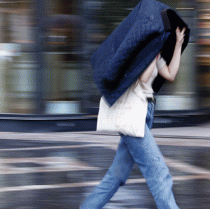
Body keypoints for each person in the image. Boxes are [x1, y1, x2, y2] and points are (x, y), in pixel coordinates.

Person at [80, 27, 186, 209]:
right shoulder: (138, 52)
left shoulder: (155, 54)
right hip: (132, 115)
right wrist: (153, 51)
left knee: (117, 175)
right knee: (159, 172)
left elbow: (170, 74)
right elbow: (144, 78)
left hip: (145, 112)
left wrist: (178, 45)